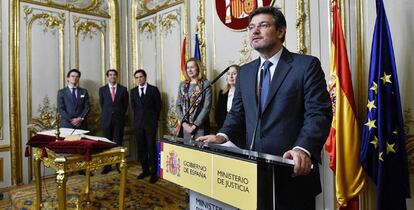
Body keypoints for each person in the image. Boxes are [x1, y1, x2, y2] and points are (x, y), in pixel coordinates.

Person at [197, 6, 332, 210]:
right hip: (253, 174)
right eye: (251, 27)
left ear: (280, 31)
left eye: (263, 25)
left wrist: (302, 148)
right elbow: (237, 114)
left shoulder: (306, 66)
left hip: (291, 173)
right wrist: (222, 136)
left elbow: (318, 113)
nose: (255, 31)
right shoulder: (245, 72)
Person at [130, 69, 161, 183]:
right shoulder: (132, 91)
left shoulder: (153, 90)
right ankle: (145, 170)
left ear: (145, 77)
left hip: (150, 124)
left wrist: (153, 120)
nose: (139, 79)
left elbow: (158, 106)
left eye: (141, 77)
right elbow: (134, 108)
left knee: (151, 148)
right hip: (138, 124)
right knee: (141, 148)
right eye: (137, 77)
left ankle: (154, 173)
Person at [99, 69, 129, 174]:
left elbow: (125, 105)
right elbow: (102, 105)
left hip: (118, 120)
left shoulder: (123, 89)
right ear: (107, 77)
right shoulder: (102, 89)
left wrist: (118, 114)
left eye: (114, 75)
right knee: (107, 144)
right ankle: (107, 166)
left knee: (118, 143)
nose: (112, 77)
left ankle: (118, 164)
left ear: (117, 76)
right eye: (110, 75)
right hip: (106, 121)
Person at [176, 58, 212, 140]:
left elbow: (207, 107)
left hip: (200, 125)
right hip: (185, 126)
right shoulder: (182, 85)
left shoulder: (205, 84)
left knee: (199, 151)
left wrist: (194, 125)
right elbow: (178, 106)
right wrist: (184, 123)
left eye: (192, 67)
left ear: (198, 68)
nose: (190, 70)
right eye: (188, 68)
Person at [215, 64, 244, 147]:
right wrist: (224, 130)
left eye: (234, 73)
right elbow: (218, 114)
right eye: (228, 74)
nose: (231, 76)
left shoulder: (245, 94)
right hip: (224, 131)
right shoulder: (222, 93)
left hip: (240, 134)